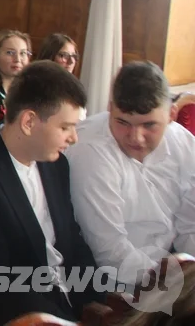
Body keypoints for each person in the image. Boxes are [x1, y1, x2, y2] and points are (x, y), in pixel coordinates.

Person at [0, 61, 104, 324]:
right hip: (24, 312)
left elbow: (71, 240)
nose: (74, 137)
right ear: (29, 121)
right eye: (65, 127)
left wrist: (98, 300)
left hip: (71, 297)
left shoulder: (57, 165)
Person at [67, 61, 195, 286]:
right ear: (110, 108)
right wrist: (174, 287)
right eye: (123, 122)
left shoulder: (185, 144)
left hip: (170, 268)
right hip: (106, 280)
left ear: (172, 114)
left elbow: (190, 227)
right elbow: (111, 253)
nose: (135, 137)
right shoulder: (90, 150)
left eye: (149, 125)